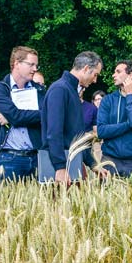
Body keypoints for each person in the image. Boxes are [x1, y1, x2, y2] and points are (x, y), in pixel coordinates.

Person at [42, 51, 108, 183]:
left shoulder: (70, 90)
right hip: (61, 168)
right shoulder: (60, 89)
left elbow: (77, 134)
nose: (95, 80)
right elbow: (54, 132)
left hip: (71, 163)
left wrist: (93, 164)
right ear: (86, 69)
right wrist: (60, 167)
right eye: (95, 74)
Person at [0, 46, 43, 180]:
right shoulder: (0, 88)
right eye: (31, 64)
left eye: (36, 65)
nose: (35, 69)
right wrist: (17, 117)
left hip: (36, 156)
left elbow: (47, 115)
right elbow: (16, 116)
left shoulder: (40, 90)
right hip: (10, 158)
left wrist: (12, 118)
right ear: (17, 64)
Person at [96, 59, 132, 177]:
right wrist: (129, 125)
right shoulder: (108, 100)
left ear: (130, 75)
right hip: (109, 160)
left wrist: (130, 95)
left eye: (118, 71)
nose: (113, 75)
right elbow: (101, 131)